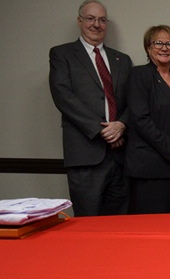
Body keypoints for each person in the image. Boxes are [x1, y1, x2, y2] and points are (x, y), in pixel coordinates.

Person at [48, 0, 132, 216]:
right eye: (91, 18)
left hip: (120, 155)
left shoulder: (122, 60)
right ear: (80, 21)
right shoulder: (62, 54)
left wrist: (122, 124)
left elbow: (134, 100)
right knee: (88, 225)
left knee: (119, 227)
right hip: (85, 155)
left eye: (102, 20)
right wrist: (102, 129)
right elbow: (63, 97)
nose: (97, 24)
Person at [126, 25, 170, 214]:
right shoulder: (139, 75)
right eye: (158, 43)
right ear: (148, 48)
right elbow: (141, 120)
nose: (165, 48)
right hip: (151, 167)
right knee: (154, 228)